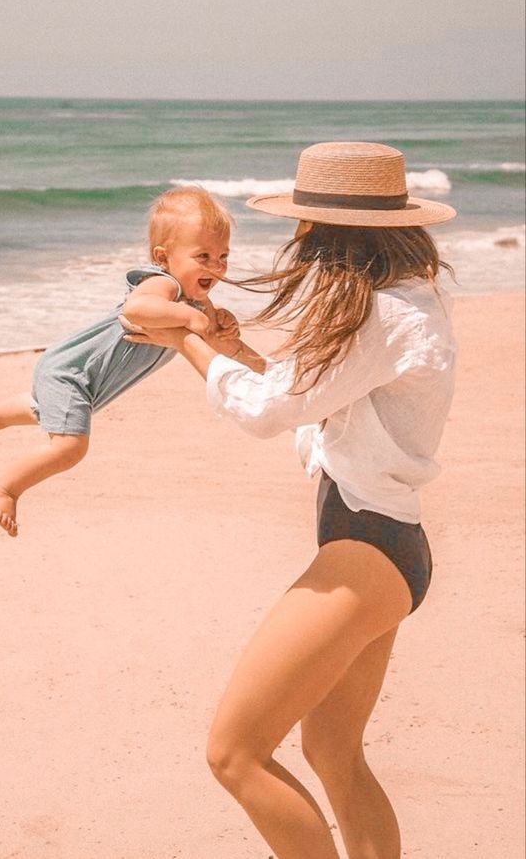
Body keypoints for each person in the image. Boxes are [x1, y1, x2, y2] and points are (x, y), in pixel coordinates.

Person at [121, 142, 457, 859]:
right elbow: (313, 411)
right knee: (335, 754)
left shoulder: (384, 316)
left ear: (332, 232)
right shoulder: (401, 306)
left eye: (307, 225)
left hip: (367, 548)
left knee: (235, 753)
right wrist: (239, 356)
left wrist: (183, 335)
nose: (298, 239)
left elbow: (263, 415)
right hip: (387, 546)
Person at [0, 185, 260, 537]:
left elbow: (216, 342)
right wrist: (187, 318)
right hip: (72, 371)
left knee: (42, 410)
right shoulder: (161, 283)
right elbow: (136, 309)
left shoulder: (196, 303)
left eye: (223, 257)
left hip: (85, 379)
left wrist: (228, 330)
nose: (216, 267)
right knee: (70, 447)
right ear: (163, 256)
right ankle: (4, 488)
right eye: (203, 256)